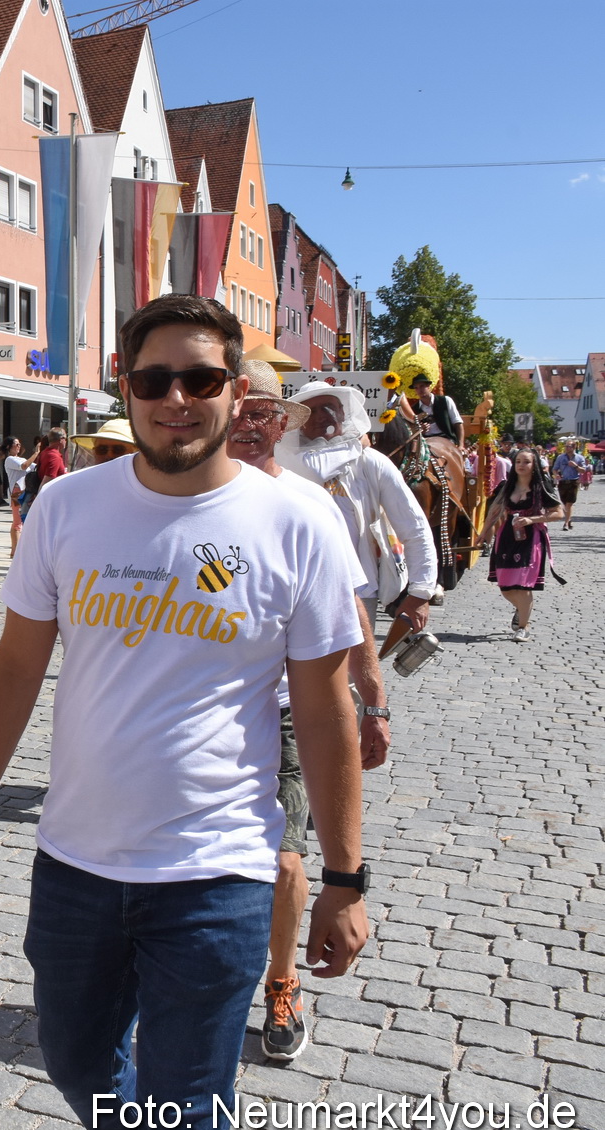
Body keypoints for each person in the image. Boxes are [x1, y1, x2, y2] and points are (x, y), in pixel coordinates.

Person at [0, 295, 369, 1130]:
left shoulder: (297, 523)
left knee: (189, 1111)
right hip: (75, 867)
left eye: (200, 377)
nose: (177, 398)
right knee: (74, 1059)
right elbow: (15, 669)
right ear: (123, 389)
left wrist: (345, 875)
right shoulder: (66, 507)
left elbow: (324, 710)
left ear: (237, 389)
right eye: (154, 378)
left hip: (218, 873)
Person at [228, 362, 389, 1062]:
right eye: (238, 406)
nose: (250, 421)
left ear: (283, 421)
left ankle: (282, 978)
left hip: (293, 706)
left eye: (265, 409)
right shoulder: (176, 496)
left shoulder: (309, 503)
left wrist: (374, 699)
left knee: (287, 861)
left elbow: (350, 610)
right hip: (215, 711)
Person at [276, 384, 439, 637]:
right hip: (292, 592)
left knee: (354, 675)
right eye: (311, 410)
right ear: (300, 421)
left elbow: (414, 526)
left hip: (358, 592)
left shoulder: (369, 462)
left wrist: (420, 592)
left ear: (342, 413)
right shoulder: (279, 466)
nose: (321, 417)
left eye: (328, 408)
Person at [482, 447, 561, 643]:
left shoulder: (541, 487)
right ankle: (522, 609)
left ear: (534, 465)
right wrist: (483, 534)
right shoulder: (506, 486)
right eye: (518, 462)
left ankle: (523, 627)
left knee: (524, 585)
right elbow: (494, 511)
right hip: (507, 536)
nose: (521, 465)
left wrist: (531, 519)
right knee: (505, 586)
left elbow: (557, 513)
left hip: (531, 538)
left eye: (526, 462)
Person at [72, 418, 136, 465]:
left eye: (118, 449)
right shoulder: (85, 481)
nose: (109, 455)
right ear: (94, 452)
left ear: (134, 451)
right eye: (102, 449)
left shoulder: (143, 482)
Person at [551, 442, 584, 530]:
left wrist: (576, 466)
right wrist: (556, 475)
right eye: (566, 446)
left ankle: (565, 523)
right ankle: (568, 519)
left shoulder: (579, 457)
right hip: (563, 482)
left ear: (574, 447)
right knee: (565, 503)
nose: (566, 448)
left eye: (568, 446)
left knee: (569, 503)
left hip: (574, 482)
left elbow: (583, 470)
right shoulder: (560, 457)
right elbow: (554, 469)